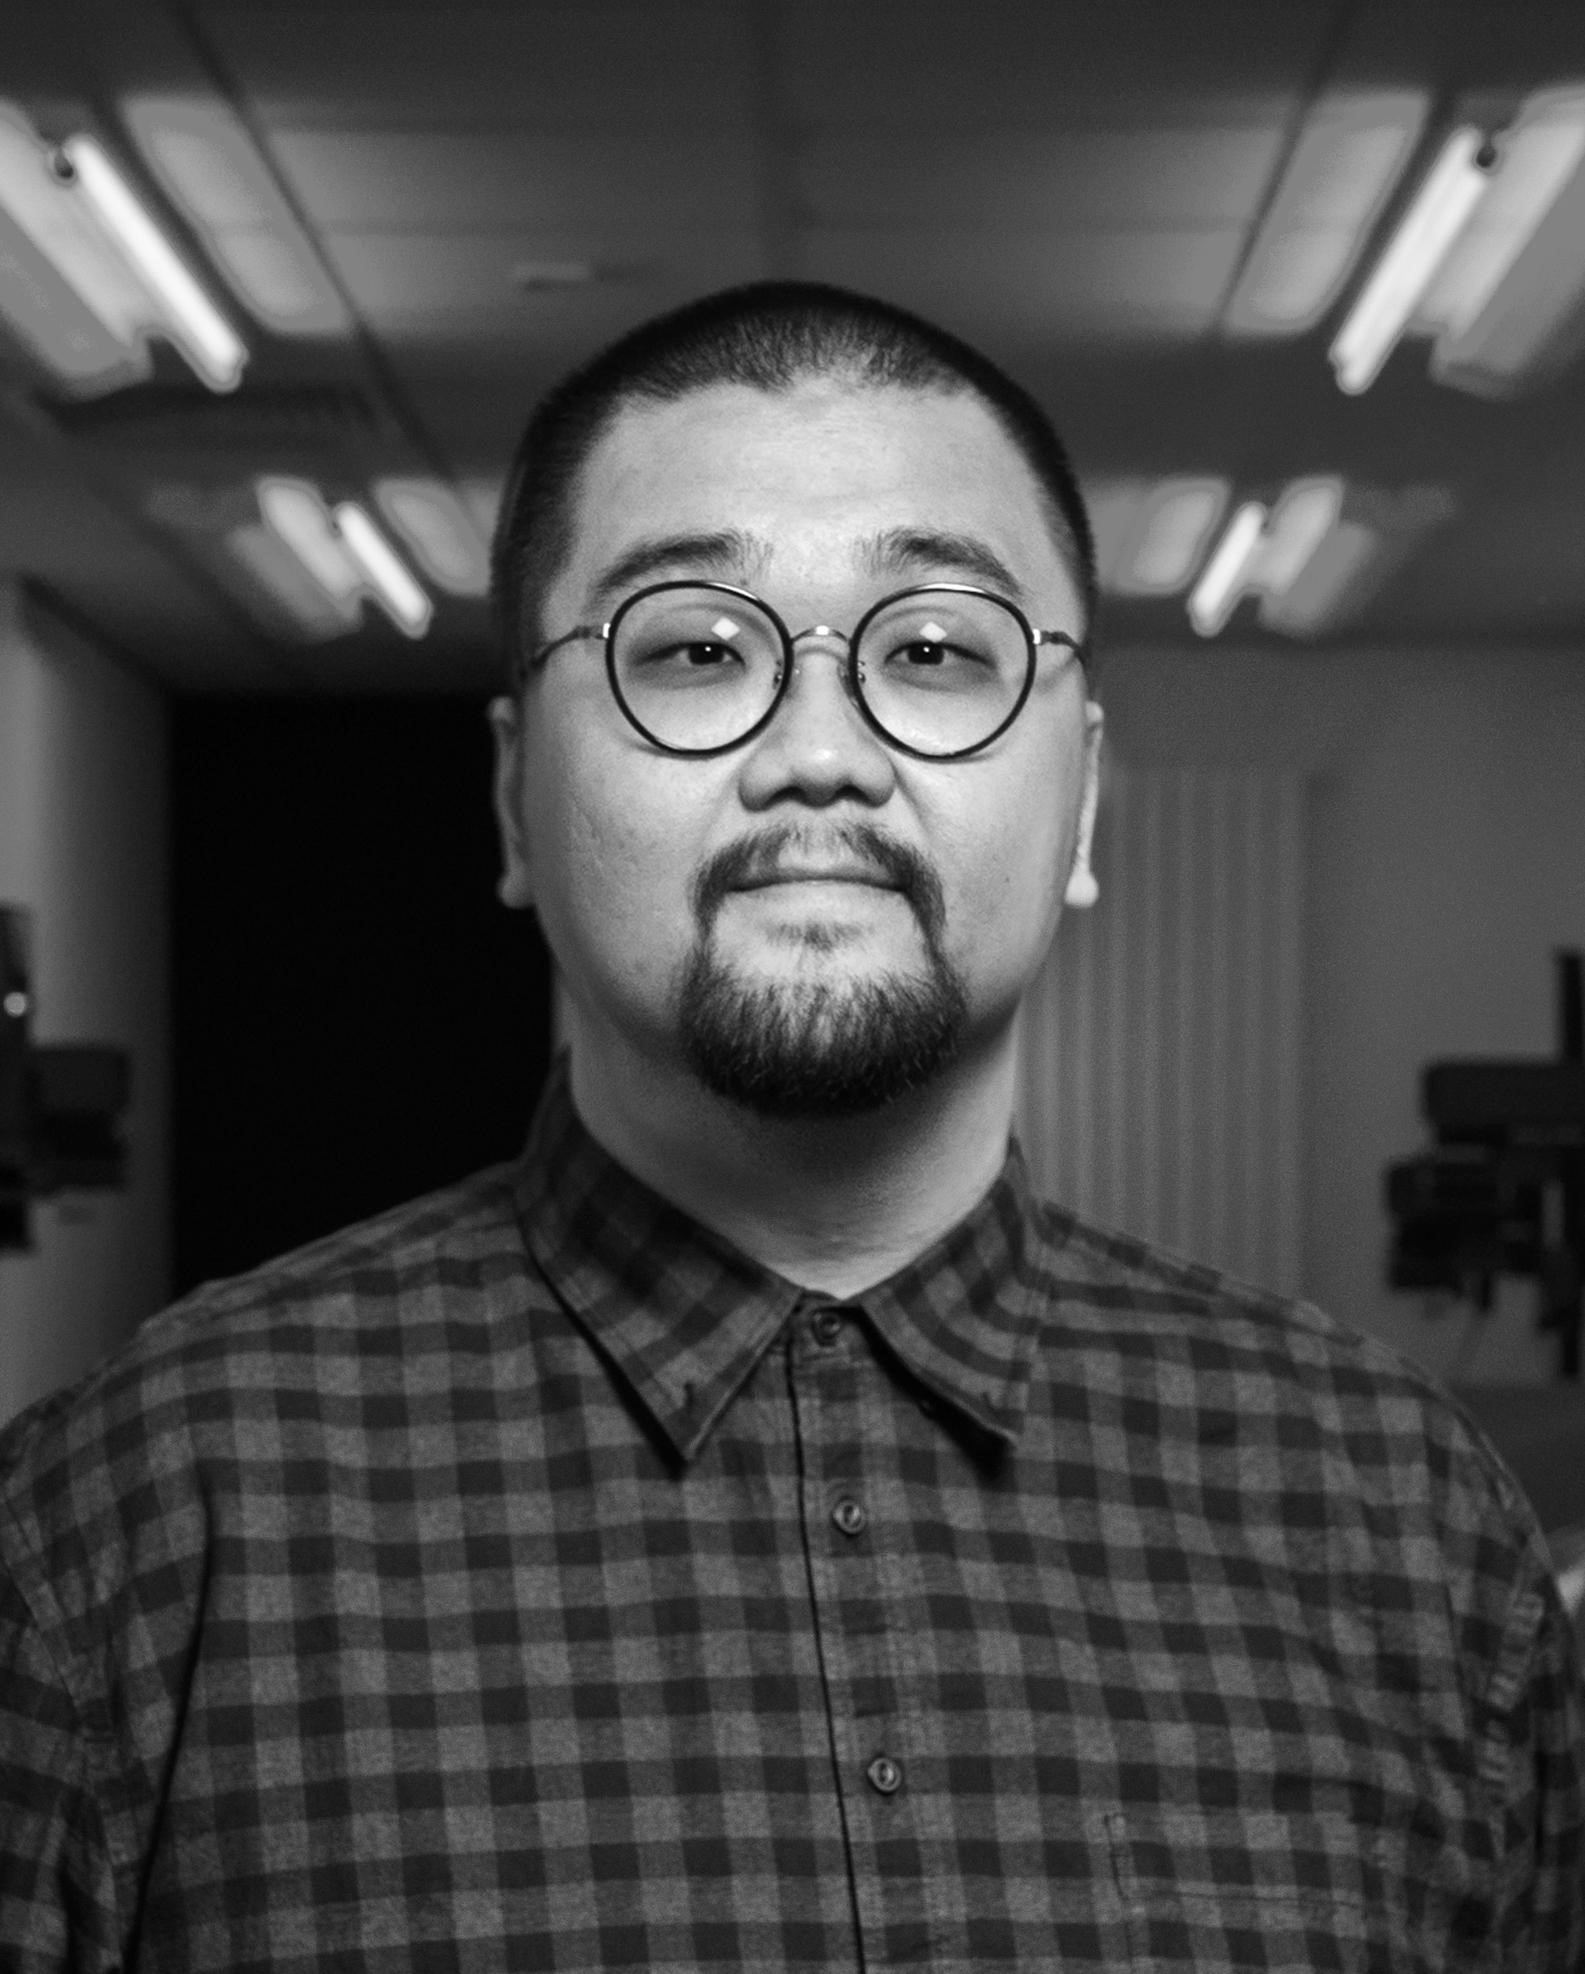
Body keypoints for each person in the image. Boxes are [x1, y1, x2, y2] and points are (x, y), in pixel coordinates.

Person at [1, 282, 1580, 1974]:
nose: (819, 754)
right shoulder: (127, 1520)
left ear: (1080, 800)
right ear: (514, 793)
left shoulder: (1403, 1522)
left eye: (933, 650)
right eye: (692, 648)